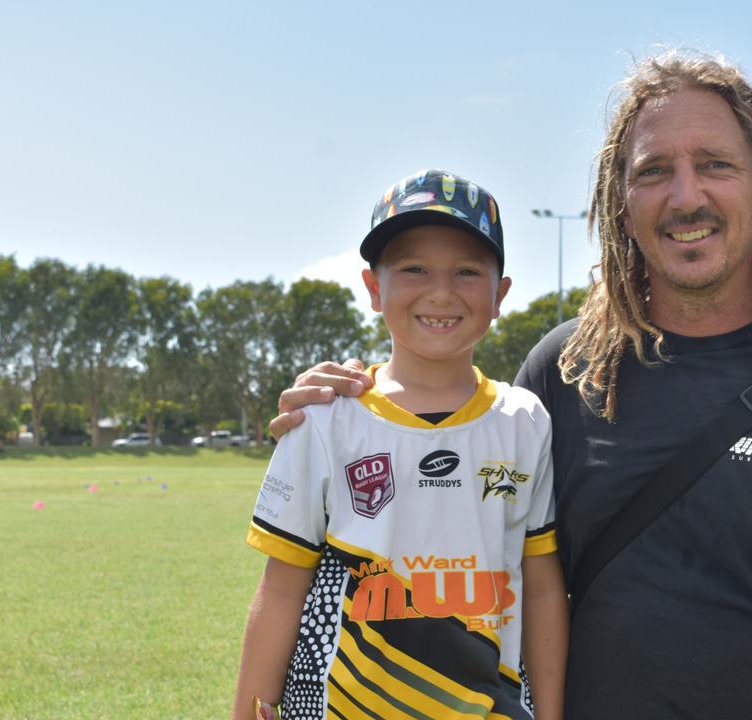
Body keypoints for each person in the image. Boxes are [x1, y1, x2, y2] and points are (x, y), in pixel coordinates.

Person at [271, 51, 752, 718]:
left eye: (717, 165)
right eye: (653, 172)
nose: (685, 195)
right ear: (621, 206)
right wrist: (345, 407)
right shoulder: (563, 370)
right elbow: (448, 545)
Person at [233, 170, 568, 720]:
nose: (440, 291)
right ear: (373, 289)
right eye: (414, 269)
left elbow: (540, 586)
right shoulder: (324, 418)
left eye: (466, 271)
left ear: (500, 294)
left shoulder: (524, 419)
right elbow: (283, 587)